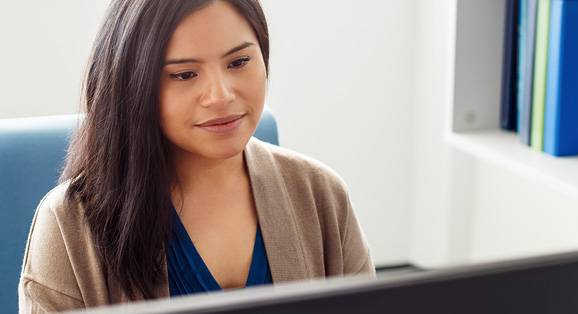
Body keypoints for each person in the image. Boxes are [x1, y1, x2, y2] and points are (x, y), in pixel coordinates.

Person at [18, 0, 375, 312]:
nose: (220, 95)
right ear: (133, 85)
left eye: (239, 62)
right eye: (185, 74)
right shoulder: (69, 225)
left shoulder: (322, 195)